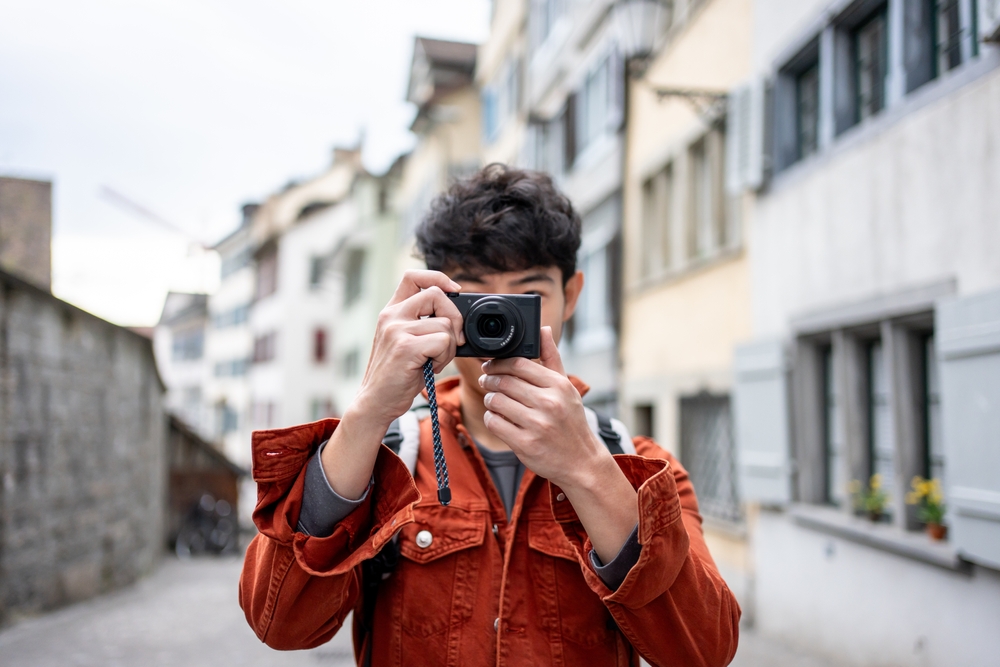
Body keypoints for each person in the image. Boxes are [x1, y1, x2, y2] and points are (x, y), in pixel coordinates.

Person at [239, 165, 740, 666]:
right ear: (431, 304)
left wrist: (588, 472)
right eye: (475, 296)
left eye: (528, 294)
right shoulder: (387, 456)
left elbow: (704, 651)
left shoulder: (637, 467)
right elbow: (278, 623)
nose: (498, 320)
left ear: (570, 296)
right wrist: (369, 410)